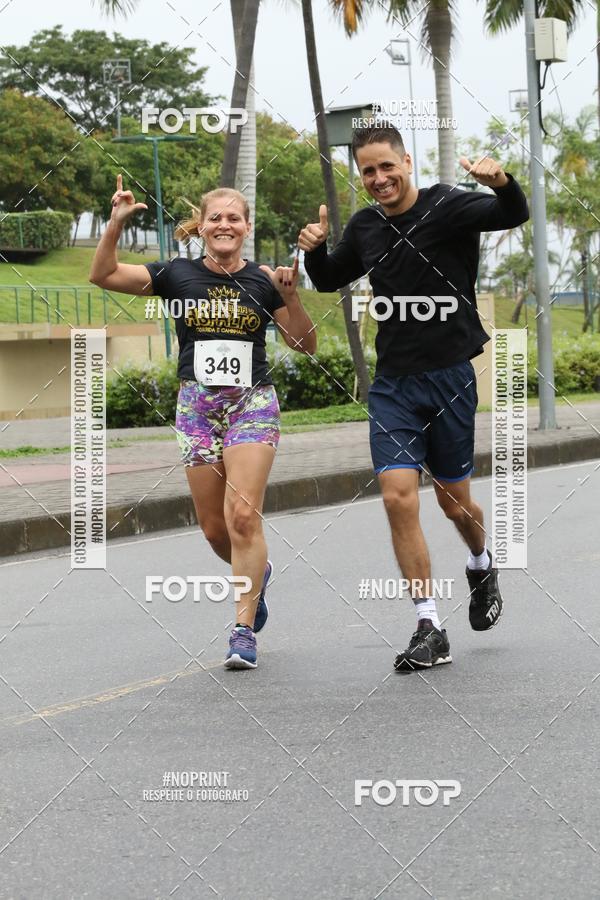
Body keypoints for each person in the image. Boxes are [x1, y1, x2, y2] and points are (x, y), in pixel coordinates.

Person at [298, 124, 529, 672]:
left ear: (406, 161)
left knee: (454, 503)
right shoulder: (366, 226)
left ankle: (481, 561)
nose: (378, 179)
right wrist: (313, 252)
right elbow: (332, 278)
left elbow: (511, 214)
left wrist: (502, 182)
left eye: (386, 166)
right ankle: (429, 623)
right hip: (394, 385)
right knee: (399, 496)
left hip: (449, 377)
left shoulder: (448, 206)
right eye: (368, 172)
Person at [90, 176, 316, 669]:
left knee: (242, 517)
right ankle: (260, 572)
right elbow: (102, 274)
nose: (225, 224)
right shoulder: (175, 274)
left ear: (246, 227)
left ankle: (242, 630)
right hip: (196, 408)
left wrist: (292, 297)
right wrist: (116, 222)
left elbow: (305, 345)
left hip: (251, 404)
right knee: (215, 530)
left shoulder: (263, 280)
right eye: (216, 217)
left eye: (234, 217)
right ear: (203, 226)